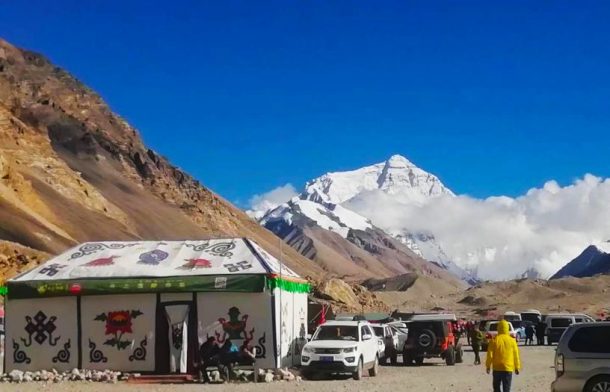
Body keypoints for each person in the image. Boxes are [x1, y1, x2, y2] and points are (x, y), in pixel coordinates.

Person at [486, 320, 521, 392]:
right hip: (508, 369)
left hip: (497, 368)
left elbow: (490, 354)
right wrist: (517, 367)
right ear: (507, 328)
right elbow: (516, 355)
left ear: (498, 328)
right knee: (506, 389)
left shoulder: (494, 340)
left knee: (496, 388)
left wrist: (488, 366)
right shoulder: (512, 341)